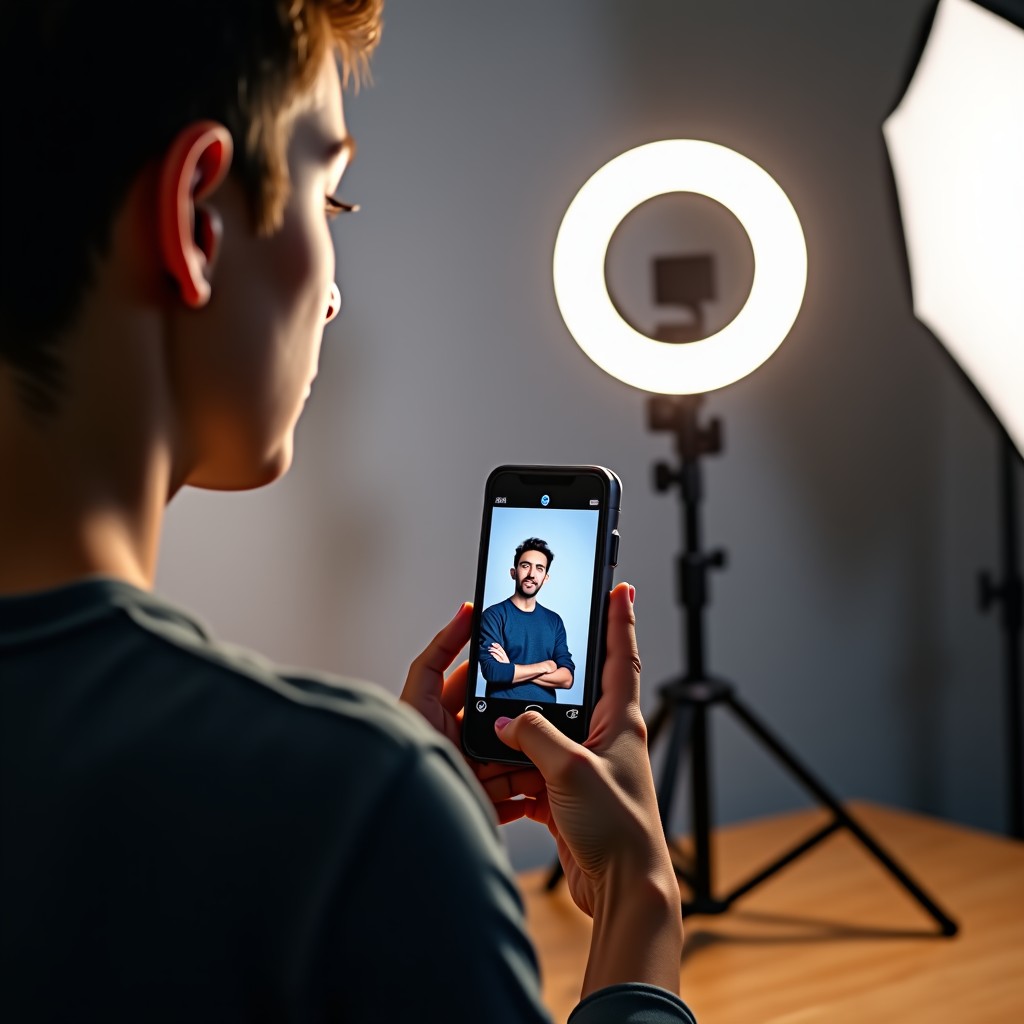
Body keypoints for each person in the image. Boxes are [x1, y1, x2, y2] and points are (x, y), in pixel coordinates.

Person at [0, 2, 694, 1021]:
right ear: (196, 221)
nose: (331, 298)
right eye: (331, 200)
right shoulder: (346, 808)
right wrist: (637, 910)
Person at [480, 537, 575, 703]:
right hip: (500, 714)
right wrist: (544, 667)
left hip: (545, 718)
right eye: (525, 566)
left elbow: (567, 679)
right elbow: (492, 671)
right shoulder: (493, 615)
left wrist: (512, 667)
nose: (531, 574)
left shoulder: (554, 621)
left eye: (539, 568)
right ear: (513, 572)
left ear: (545, 578)